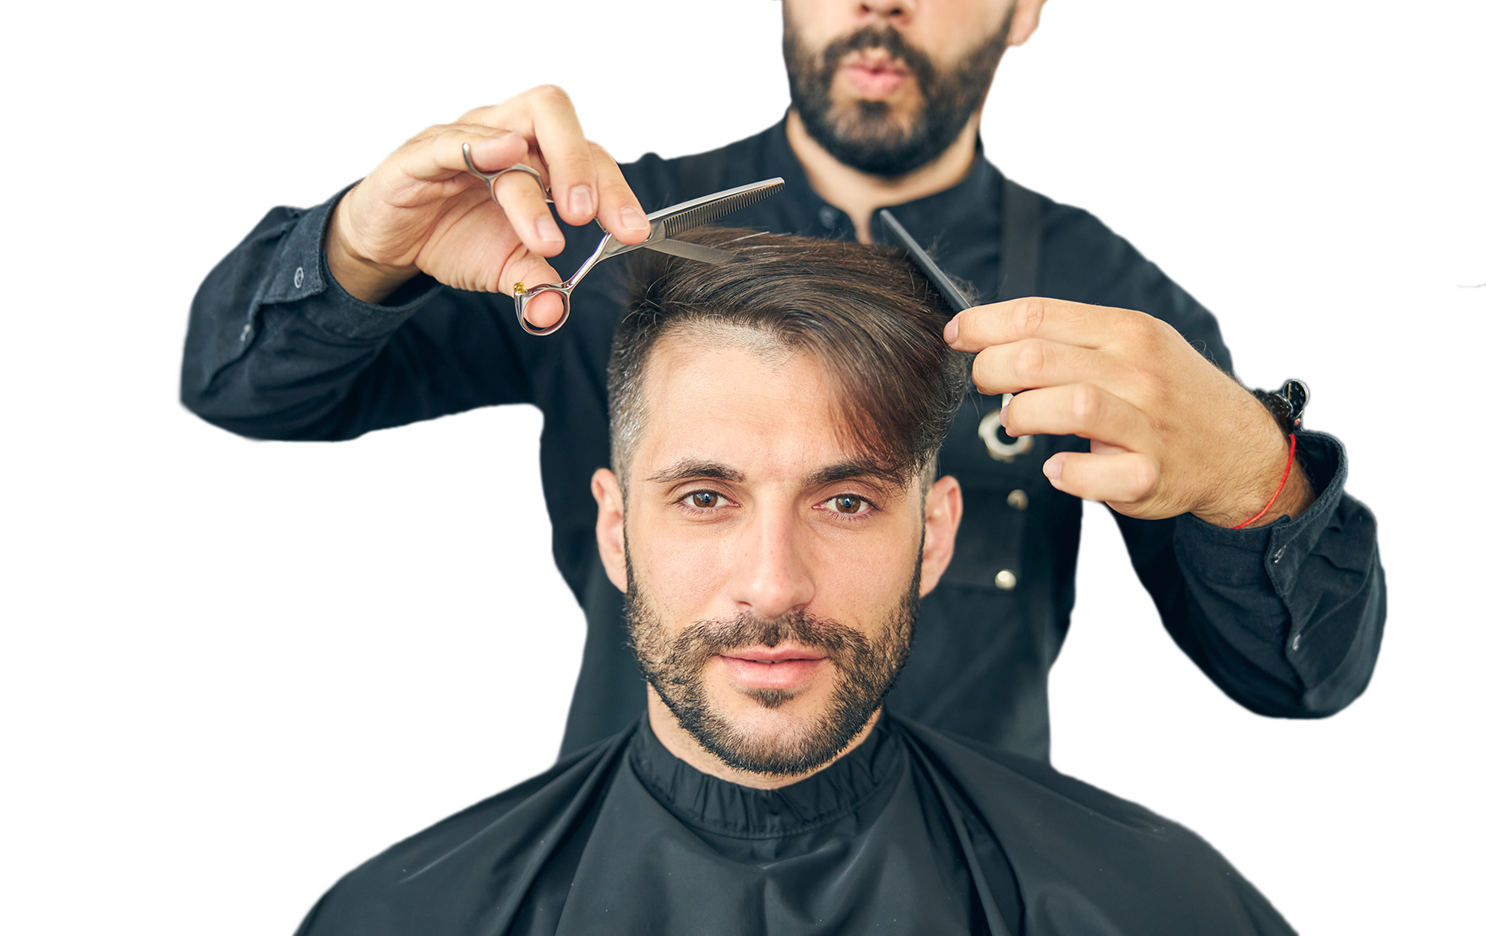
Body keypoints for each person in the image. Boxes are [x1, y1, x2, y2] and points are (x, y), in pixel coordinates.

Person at [176, 0, 1385, 764]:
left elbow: (1302, 679)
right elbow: (240, 397)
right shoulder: (594, 234)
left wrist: (1254, 476)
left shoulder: (1118, 295)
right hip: (628, 867)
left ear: (1025, 10)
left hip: (986, 885)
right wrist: (358, 247)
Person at [288, 228, 1300, 935]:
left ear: (934, 534)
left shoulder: (1158, 907)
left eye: (845, 502)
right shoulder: (399, 918)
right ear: (614, 527)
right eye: (703, 498)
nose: (772, 587)